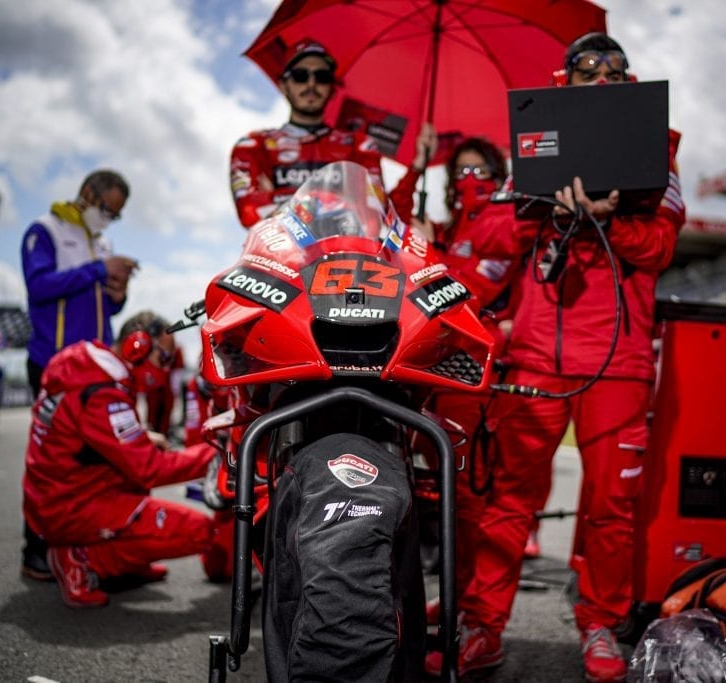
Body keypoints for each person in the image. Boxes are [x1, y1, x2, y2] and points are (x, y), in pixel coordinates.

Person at [425, 33, 685, 681]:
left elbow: (660, 247)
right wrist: (540, 205)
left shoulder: (660, 149)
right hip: (536, 356)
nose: (601, 76)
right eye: (587, 67)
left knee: (611, 505)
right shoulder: (533, 147)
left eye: (614, 70)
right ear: (562, 80)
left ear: (630, 84)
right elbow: (487, 232)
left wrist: (610, 216)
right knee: (509, 499)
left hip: (618, 360)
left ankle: (599, 623)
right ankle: (483, 625)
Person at [398, 136, 520, 625]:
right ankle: (455, 597)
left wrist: (433, 257)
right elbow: (392, 219)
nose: (471, 182)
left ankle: (472, 611)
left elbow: (473, 288)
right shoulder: (445, 229)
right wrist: (416, 166)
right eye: (461, 174)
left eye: (480, 172)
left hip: (477, 376)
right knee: (445, 496)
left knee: (473, 499)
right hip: (432, 369)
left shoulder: (506, 223)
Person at [22, 312, 218, 608]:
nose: (166, 370)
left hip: (55, 495)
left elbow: (79, 431)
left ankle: (125, 562)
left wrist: (143, 436)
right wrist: (220, 454)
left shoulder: (83, 365)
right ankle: (81, 559)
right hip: (70, 507)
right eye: (164, 358)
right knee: (201, 531)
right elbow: (148, 469)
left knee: (141, 458)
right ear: (136, 346)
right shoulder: (104, 392)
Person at [19, 168, 138, 579]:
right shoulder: (44, 229)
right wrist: (100, 270)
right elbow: (39, 288)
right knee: (53, 462)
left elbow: (103, 305)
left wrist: (118, 293)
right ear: (88, 193)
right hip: (54, 365)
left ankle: (87, 549)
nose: (109, 219)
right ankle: (35, 549)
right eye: (108, 209)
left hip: (96, 369)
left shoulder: (102, 241)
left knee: (96, 462)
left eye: (116, 215)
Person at [230, 40, 434, 229]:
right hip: (274, 262)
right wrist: (345, 202)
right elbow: (250, 213)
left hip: (344, 262)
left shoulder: (360, 145)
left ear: (332, 88)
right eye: (300, 76)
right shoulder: (253, 145)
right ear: (284, 85)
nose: (311, 84)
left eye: (322, 77)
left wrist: (416, 167)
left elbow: (376, 215)